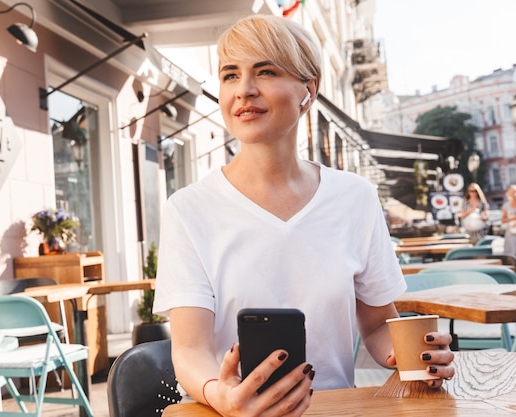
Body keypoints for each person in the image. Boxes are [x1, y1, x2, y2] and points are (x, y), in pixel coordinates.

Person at [152, 14, 455, 416]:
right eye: (230, 75)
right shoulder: (188, 210)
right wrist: (220, 394)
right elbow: (191, 350)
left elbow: (380, 325)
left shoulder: (355, 198)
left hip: (339, 409)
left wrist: (418, 357)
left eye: (265, 71)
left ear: (308, 90)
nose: (244, 90)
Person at [502, 185, 516, 257]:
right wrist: (513, 219)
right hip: (511, 231)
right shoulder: (506, 205)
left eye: (515, 192)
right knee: (513, 251)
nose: (514, 194)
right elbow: (503, 220)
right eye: (512, 192)